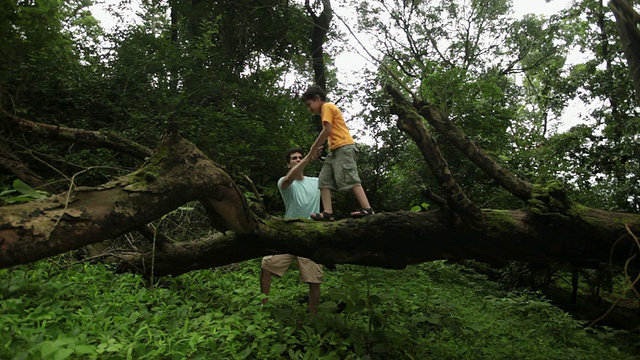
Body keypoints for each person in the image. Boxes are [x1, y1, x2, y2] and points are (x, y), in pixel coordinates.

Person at [260, 148, 324, 314]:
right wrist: (309, 157)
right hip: (288, 233)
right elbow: (290, 178)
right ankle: (263, 305)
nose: (297, 160)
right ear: (288, 164)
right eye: (294, 158)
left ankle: (313, 316)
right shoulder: (284, 182)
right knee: (266, 266)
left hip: (310, 234)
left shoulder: (316, 182)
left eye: (300, 157)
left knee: (314, 279)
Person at [301, 84, 374, 221]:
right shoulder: (324, 111)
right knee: (324, 180)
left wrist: (313, 149)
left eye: (309, 104)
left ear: (317, 98)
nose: (309, 109)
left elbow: (327, 130)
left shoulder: (327, 107)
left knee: (350, 176)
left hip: (344, 147)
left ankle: (367, 209)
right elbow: (329, 133)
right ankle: (328, 212)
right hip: (334, 150)